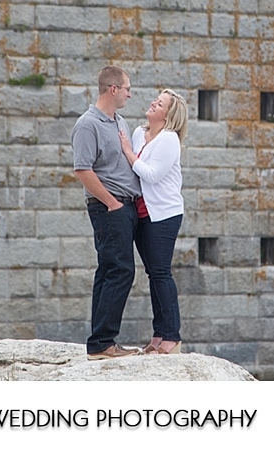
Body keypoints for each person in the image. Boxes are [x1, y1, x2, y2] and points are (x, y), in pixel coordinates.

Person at [71, 66, 142, 360]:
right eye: (127, 88)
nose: (129, 92)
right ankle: (102, 342)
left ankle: (101, 341)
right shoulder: (88, 124)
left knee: (109, 270)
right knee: (120, 270)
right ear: (113, 89)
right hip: (109, 208)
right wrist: (111, 202)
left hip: (126, 206)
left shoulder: (120, 122)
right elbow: (82, 169)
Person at [119, 89, 188, 355]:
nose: (153, 103)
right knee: (153, 274)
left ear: (168, 114)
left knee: (161, 272)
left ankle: (171, 336)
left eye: (159, 103)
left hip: (164, 214)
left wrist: (128, 152)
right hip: (142, 214)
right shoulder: (139, 133)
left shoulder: (169, 139)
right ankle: (159, 334)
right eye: (155, 100)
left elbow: (151, 175)